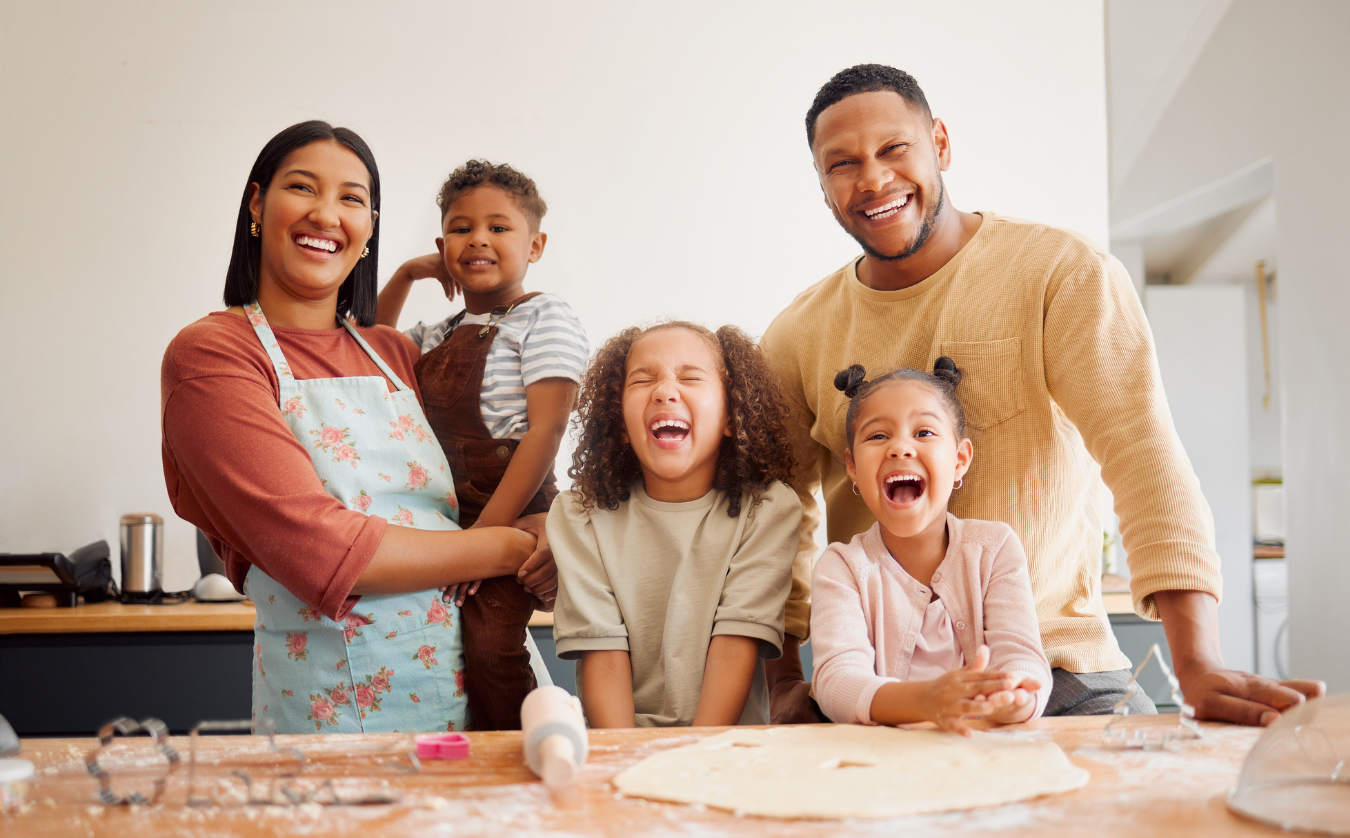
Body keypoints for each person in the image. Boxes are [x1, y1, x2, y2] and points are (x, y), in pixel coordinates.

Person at [761, 64, 1324, 724]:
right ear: (824, 187)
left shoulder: (1060, 274)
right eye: (843, 164)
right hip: (883, 691)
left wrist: (1197, 662)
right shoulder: (798, 334)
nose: (874, 179)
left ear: (940, 144)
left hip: (1061, 671)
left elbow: (1142, 454)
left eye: (894, 149)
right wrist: (779, 684)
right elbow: (776, 519)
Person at [161, 122, 555, 734]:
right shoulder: (214, 355)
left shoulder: (395, 351)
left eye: (351, 198)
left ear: (369, 226)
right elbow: (321, 550)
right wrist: (511, 547)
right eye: (303, 187)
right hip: (345, 716)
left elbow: (488, 456)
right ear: (258, 204)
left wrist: (548, 519)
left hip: (489, 686)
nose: (326, 214)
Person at [376, 160, 588, 730]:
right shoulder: (438, 333)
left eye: (499, 227)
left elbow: (545, 431)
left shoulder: (545, 317)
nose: (479, 239)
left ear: (535, 244)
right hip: (445, 517)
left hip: (514, 512)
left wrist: (485, 536)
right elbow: (365, 345)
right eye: (462, 228)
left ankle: (514, 759)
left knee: (492, 645)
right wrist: (405, 274)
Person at [549, 323, 800, 727]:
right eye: (643, 379)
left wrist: (690, 760)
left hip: (722, 752)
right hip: (620, 749)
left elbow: (735, 648)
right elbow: (605, 659)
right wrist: (626, 761)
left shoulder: (767, 509)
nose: (664, 391)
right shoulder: (579, 515)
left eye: (690, 378)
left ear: (731, 415)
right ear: (619, 420)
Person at [811, 359, 1050, 733]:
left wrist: (1014, 697)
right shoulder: (841, 568)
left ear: (959, 460)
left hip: (982, 747)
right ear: (852, 466)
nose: (900, 448)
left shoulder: (995, 548)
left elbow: (1022, 656)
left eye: (923, 433)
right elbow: (836, 680)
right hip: (885, 761)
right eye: (878, 436)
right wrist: (926, 701)